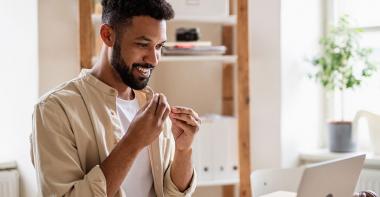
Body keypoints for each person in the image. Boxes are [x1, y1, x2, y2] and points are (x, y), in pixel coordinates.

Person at [30, 0, 200, 196]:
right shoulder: (54, 109)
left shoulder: (152, 107)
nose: (153, 59)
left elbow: (172, 192)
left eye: (159, 46)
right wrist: (133, 142)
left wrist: (184, 150)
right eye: (143, 44)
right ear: (108, 35)